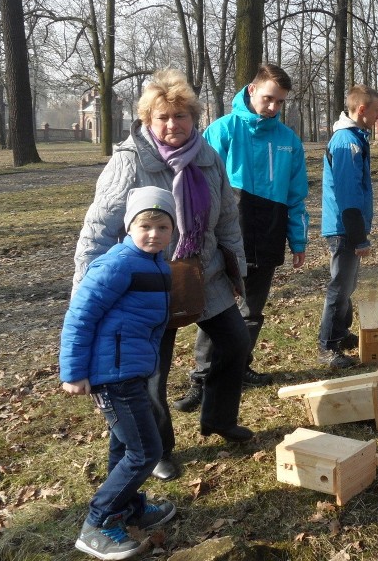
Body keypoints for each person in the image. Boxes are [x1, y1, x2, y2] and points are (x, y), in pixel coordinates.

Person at [73, 69, 254, 485]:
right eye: (162, 118)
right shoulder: (130, 161)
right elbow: (98, 230)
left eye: (181, 116)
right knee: (153, 370)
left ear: (195, 118)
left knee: (235, 342)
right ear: (147, 121)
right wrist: (86, 292)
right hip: (148, 282)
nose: (173, 125)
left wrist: (236, 269)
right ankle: (159, 449)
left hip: (203, 273)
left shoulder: (209, 159)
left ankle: (219, 419)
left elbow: (226, 219)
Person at [172, 63, 309, 412]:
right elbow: (197, 188)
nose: (273, 108)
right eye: (268, 99)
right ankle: (202, 378)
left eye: (280, 102)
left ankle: (239, 366)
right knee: (215, 309)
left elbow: (296, 196)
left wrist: (299, 241)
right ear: (251, 90)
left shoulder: (289, 142)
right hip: (225, 239)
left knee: (251, 310)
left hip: (268, 236)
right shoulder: (222, 131)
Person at [61, 187, 178, 559]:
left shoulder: (156, 262)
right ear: (129, 227)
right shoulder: (118, 263)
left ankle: (129, 506)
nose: (154, 234)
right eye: (145, 226)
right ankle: (97, 523)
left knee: (124, 444)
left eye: (163, 226)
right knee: (146, 451)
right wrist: (74, 371)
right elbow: (80, 316)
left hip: (133, 368)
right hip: (111, 373)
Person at [318, 84, 378, 368]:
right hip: (344, 228)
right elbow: (348, 194)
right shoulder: (346, 143)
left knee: (348, 284)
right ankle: (327, 346)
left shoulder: (356, 138)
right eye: (377, 110)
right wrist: (359, 237)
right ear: (362, 110)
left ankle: (341, 333)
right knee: (340, 287)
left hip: (349, 227)